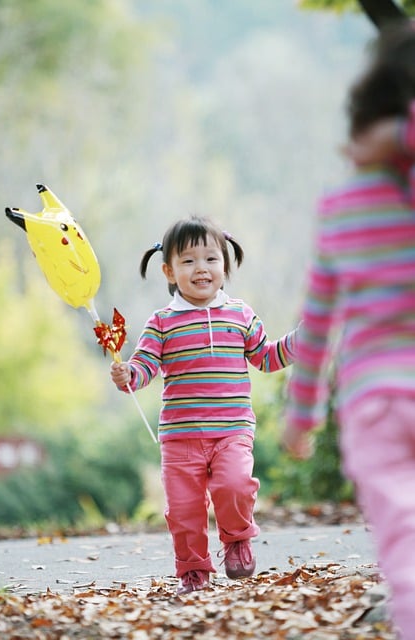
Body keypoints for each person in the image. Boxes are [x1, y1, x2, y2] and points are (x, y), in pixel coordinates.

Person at [282, 22, 415, 640]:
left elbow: (317, 328)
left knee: (406, 549)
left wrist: (301, 415)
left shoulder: (342, 208)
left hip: (372, 402)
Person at [111, 215, 298, 595]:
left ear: (224, 266)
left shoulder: (240, 315)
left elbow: (266, 357)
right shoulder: (162, 322)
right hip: (180, 437)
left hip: (232, 430)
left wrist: (301, 340)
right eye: (189, 261)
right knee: (184, 511)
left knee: (235, 485)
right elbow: (145, 366)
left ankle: (236, 539)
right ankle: (193, 570)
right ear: (169, 270)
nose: (202, 269)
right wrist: (129, 374)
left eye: (211, 259)